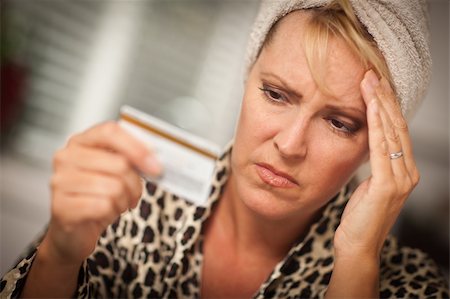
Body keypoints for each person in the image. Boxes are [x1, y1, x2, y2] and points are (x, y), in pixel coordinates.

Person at [1, 0, 448, 298]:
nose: (290, 145)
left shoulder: (410, 285)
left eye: (339, 122)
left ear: (378, 144)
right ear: (247, 80)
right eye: (276, 94)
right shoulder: (129, 199)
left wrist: (355, 262)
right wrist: (59, 254)